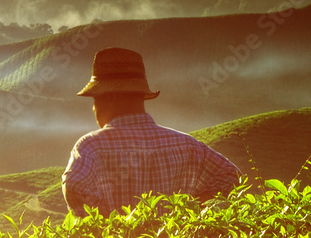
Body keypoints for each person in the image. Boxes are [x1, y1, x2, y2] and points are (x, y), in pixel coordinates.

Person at [62, 47, 240, 216]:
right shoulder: (187, 145)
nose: (93, 109)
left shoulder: (91, 147)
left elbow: (75, 185)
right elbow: (231, 177)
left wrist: (108, 224)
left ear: (110, 98)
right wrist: (188, 212)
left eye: (95, 100)